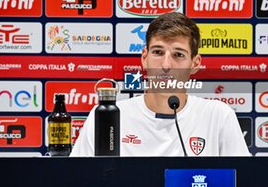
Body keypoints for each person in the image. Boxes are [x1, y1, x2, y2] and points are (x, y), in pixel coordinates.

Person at [71, 12, 250, 156]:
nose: (166, 65)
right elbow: (80, 183)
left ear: (195, 63)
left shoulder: (218, 116)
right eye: (158, 52)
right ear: (144, 58)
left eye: (178, 55)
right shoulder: (107, 117)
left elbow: (241, 183)